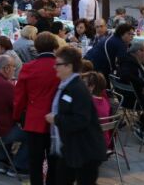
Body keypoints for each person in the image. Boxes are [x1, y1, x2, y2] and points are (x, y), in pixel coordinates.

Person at [45, 46, 106, 185]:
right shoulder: (66, 85)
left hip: (84, 151)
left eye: (58, 64)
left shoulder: (77, 88)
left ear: (69, 66)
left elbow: (81, 120)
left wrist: (55, 119)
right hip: (70, 148)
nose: (55, 67)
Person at [13, 32, 60, 185]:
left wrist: (16, 116)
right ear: (55, 47)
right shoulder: (61, 67)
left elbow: (20, 98)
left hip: (34, 121)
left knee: (35, 163)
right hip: (56, 122)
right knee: (54, 162)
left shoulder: (28, 68)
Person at [81, 71, 111, 147]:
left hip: (90, 143)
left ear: (91, 87)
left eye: (83, 83)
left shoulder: (88, 103)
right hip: (103, 141)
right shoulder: (104, 101)